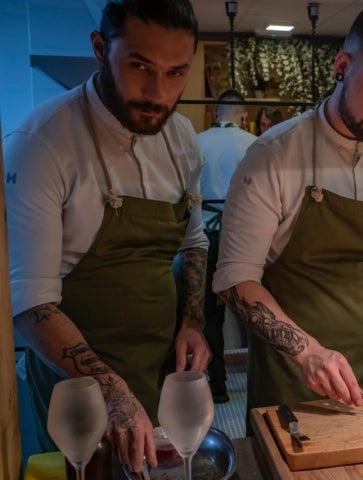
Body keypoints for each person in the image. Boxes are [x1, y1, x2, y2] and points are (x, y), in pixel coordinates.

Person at [5, 0, 211, 473]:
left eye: (176, 73)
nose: (158, 94)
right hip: (72, 385)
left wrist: (193, 321)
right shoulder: (40, 145)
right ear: (100, 49)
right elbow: (30, 303)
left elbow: (193, 244)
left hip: (158, 367)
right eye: (140, 67)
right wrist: (111, 390)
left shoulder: (181, 137)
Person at [214, 0, 363, 411]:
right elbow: (235, 279)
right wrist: (309, 353)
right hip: (295, 383)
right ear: (342, 67)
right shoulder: (274, 154)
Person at [197, 89, 257, 403]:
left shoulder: (196, 141)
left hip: (205, 236)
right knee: (253, 309)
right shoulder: (253, 144)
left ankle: (217, 386)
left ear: (216, 112)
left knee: (210, 315)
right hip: (243, 237)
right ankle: (256, 379)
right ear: (243, 114)